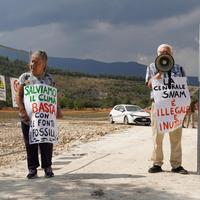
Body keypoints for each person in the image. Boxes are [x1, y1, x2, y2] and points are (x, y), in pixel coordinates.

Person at [16, 50, 62, 179]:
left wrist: (58, 109)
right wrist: (22, 111)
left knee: (47, 142)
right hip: (28, 119)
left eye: (36, 62)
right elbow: (19, 96)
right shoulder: (25, 78)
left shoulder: (49, 78)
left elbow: (54, 96)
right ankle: (32, 169)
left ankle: (47, 167)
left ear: (44, 64)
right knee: (30, 143)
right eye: (31, 61)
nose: (32, 64)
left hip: (45, 119)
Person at [145, 44, 188, 174]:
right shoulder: (152, 67)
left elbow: (183, 87)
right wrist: (161, 71)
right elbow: (149, 84)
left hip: (174, 106)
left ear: (171, 54)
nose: (165, 54)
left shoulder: (179, 68)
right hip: (159, 106)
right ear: (158, 54)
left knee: (176, 136)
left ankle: (176, 165)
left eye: (167, 52)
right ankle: (157, 163)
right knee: (157, 136)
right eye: (162, 52)